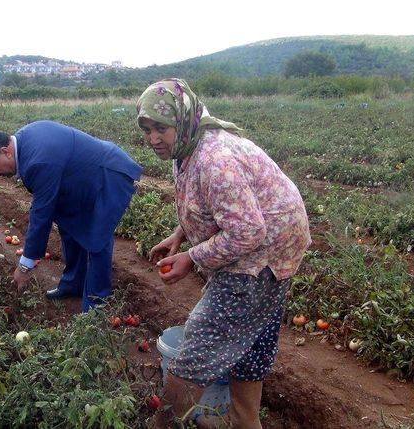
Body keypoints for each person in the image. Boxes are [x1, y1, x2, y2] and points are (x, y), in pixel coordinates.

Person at [137, 79, 311, 429]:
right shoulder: (187, 146)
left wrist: (192, 257)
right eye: (147, 129)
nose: (153, 138)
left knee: (197, 351)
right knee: (249, 343)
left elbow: (248, 232)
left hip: (262, 258)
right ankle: (243, 421)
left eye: (161, 128)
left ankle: (163, 426)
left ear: (182, 120)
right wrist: (179, 234)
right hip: (269, 248)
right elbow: (206, 204)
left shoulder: (216, 159)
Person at [0, 120, 142, 312]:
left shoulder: (38, 160)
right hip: (80, 179)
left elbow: (42, 212)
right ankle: (73, 284)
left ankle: (96, 306)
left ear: (5, 151)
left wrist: (25, 266)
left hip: (108, 174)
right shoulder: (23, 141)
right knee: (69, 228)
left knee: (97, 239)